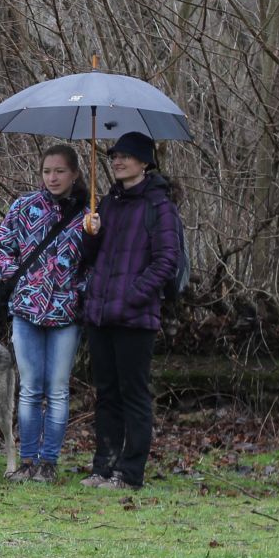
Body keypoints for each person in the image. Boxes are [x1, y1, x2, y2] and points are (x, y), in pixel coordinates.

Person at [79, 131, 181, 490]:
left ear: (144, 162)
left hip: (135, 318)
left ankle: (130, 473)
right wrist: (90, 234)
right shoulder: (107, 203)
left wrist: (134, 295)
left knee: (133, 394)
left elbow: (167, 260)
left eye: (126, 156)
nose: (118, 161)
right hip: (100, 315)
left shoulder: (159, 206)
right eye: (114, 156)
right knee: (106, 394)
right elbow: (90, 259)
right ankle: (102, 468)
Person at [0, 144, 88, 484]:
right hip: (27, 310)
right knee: (30, 388)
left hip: (66, 313)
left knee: (58, 389)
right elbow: (2, 245)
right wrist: (16, 278)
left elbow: (98, 264)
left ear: (74, 173)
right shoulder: (24, 206)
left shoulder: (89, 215)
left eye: (60, 171)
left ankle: (49, 463)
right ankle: (28, 460)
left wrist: (80, 289)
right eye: (47, 171)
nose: (53, 177)